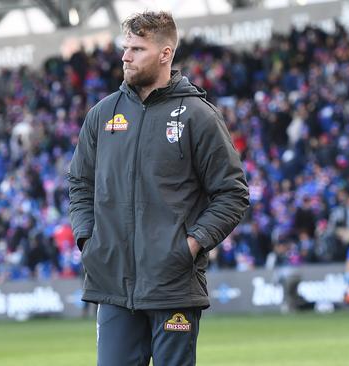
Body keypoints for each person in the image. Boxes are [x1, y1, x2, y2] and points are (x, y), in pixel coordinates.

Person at [67, 11, 249, 366]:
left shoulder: (198, 115)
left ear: (165, 54)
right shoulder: (102, 115)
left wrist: (189, 246)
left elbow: (232, 193)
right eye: (125, 48)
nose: (125, 57)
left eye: (137, 48)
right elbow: (80, 183)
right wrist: (88, 240)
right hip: (114, 284)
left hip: (173, 284)